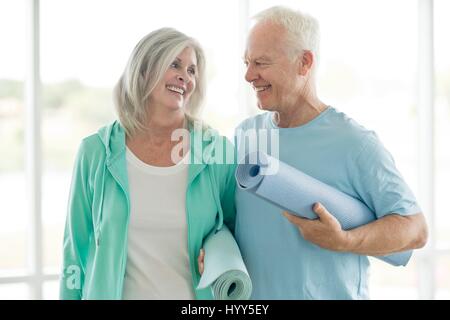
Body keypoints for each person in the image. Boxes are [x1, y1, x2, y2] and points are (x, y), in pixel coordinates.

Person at [234, 6, 428, 299]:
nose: (249, 75)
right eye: (246, 62)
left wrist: (346, 240)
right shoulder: (244, 135)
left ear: (304, 62)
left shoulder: (355, 143)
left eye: (261, 62)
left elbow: (415, 230)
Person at [59, 28, 236, 300]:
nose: (184, 76)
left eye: (191, 70)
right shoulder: (94, 152)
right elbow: (75, 250)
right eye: (174, 64)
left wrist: (220, 255)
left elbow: (237, 231)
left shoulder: (218, 152)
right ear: (143, 71)